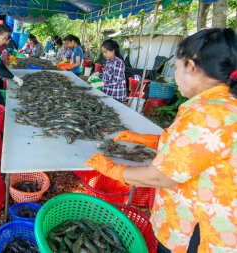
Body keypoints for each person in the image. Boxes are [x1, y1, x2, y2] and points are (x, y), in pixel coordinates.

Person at [86, 28, 237, 253]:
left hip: (197, 232)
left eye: (176, 67)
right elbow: (194, 151)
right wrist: (144, 139)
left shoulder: (205, 114)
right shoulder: (225, 105)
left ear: (192, 67)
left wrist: (114, 170)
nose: (175, 76)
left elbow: (161, 177)